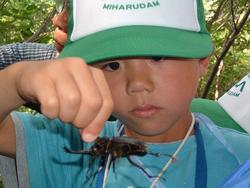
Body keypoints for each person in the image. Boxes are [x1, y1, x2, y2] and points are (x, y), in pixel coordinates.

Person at [1, 1, 250, 188]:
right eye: (112, 65)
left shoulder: (242, 160)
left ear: (202, 60)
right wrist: (14, 82)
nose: (137, 84)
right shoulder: (66, 143)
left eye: (157, 57)